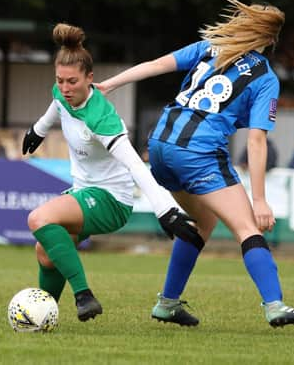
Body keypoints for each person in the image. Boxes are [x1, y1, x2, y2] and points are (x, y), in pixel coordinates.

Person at [98, 0, 294, 328]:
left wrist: (110, 83)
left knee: (202, 222)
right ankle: (275, 305)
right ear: (272, 40)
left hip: (159, 145)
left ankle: (168, 304)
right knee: (246, 227)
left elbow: (157, 64)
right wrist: (259, 200)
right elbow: (257, 141)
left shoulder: (209, 47)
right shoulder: (265, 77)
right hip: (197, 152)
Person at [21, 23, 201, 322]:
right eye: (60, 80)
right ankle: (42, 314)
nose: (65, 88)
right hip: (84, 191)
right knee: (45, 251)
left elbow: (135, 165)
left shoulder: (102, 119)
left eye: (72, 82)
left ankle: (84, 295)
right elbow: (56, 104)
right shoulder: (61, 92)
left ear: (90, 79)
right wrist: (38, 129)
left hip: (112, 201)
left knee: (38, 218)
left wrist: (165, 209)